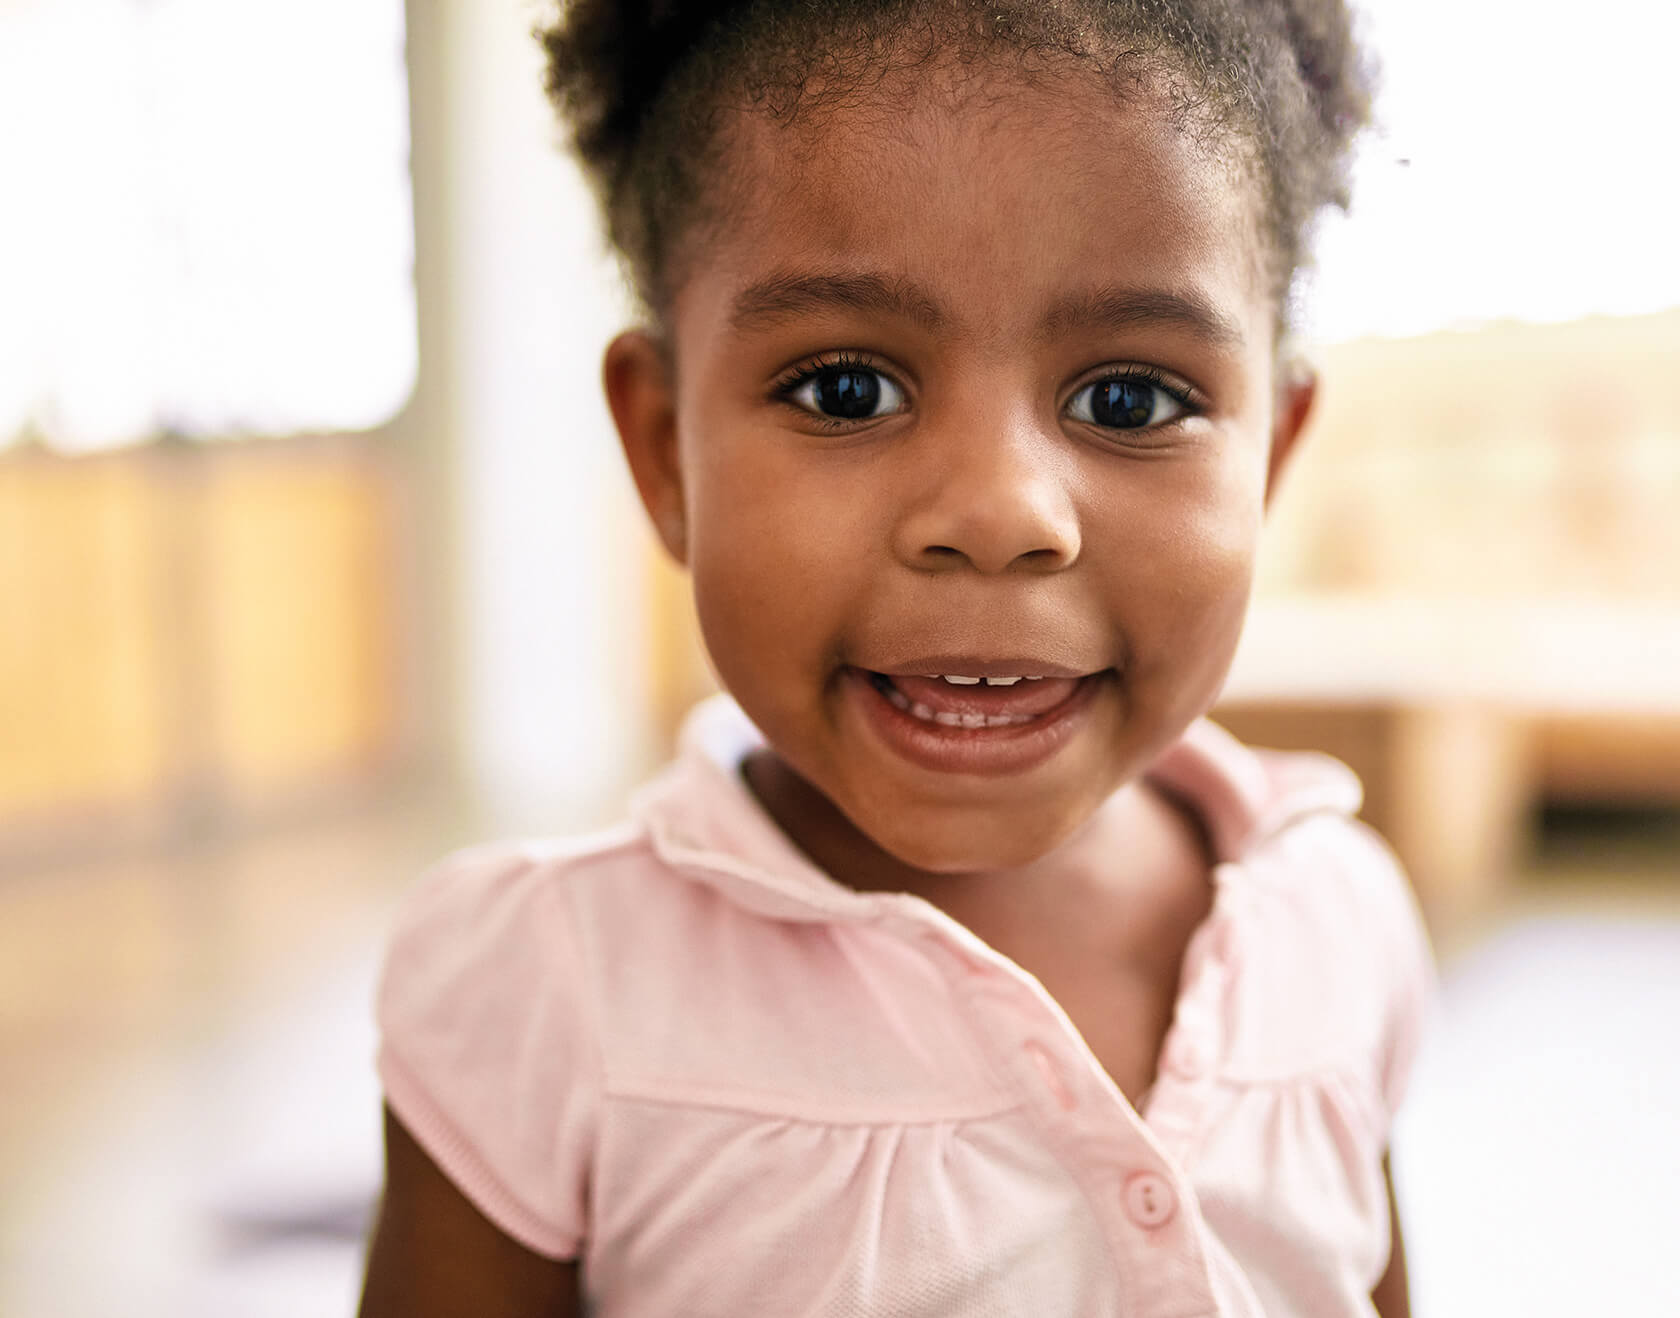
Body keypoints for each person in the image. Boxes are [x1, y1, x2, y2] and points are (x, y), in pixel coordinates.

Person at [359, 1, 1436, 1314]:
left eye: (1129, 398)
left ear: (1268, 458)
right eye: (844, 388)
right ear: (662, 452)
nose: (998, 515)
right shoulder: (546, 986)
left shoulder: (1330, 916)